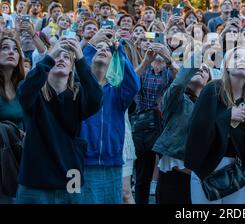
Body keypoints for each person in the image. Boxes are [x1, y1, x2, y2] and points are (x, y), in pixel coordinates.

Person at [16, 39, 103, 203]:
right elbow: (24, 92)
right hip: (35, 179)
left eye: (67, 57)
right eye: (57, 55)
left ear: (72, 67)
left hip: (72, 174)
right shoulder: (34, 94)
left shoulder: (78, 95)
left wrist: (80, 59)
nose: (61, 59)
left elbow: (96, 98)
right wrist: (49, 56)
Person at [185, 47, 245, 204]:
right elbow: (196, 128)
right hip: (208, 167)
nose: (242, 60)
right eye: (236, 56)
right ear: (226, 66)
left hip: (239, 170)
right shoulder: (213, 89)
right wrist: (228, 116)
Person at [80, 29, 140, 204]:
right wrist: (91, 45)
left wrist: (118, 49)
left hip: (112, 163)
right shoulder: (78, 86)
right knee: (74, 199)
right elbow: (76, 66)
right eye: (98, 48)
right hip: (78, 163)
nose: (102, 50)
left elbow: (134, 84)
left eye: (107, 50)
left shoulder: (118, 92)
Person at [153, 53, 211, 204]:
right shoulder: (176, 98)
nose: (200, 69)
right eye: (197, 68)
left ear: (208, 82)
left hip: (201, 175)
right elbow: (178, 84)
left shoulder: (211, 107)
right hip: (175, 174)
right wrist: (197, 55)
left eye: (205, 70)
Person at [133, 39, 176, 204]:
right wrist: (146, 60)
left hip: (165, 125)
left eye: (162, 50)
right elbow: (131, 85)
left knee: (166, 173)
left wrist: (168, 60)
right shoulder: (144, 71)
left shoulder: (170, 72)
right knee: (143, 173)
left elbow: (181, 84)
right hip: (144, 125)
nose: (158, 52)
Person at [0, 37, 25, 129]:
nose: (11, 52)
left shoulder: (21, 86)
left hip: (21, 141)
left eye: (15, 49)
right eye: (5, 48)